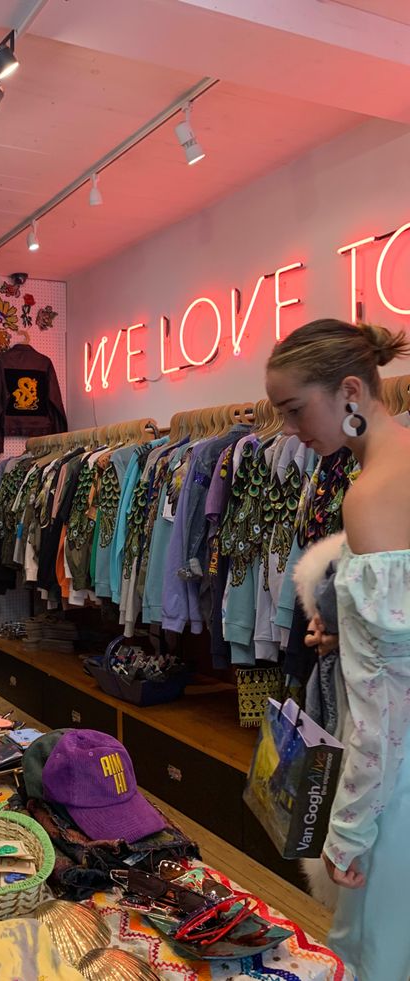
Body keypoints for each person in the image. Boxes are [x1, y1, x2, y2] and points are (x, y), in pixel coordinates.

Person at [266, 318, 410, 981]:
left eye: (296, 408)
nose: (292, 430)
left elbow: (383, 706)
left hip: (395, 781)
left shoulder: (370, 495)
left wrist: (346, 829)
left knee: (374, 955)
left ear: (350, 389)